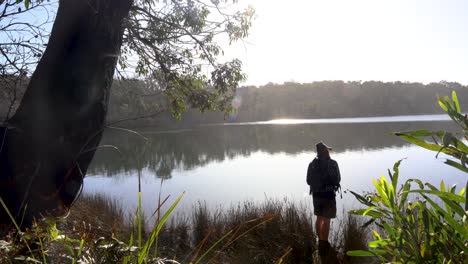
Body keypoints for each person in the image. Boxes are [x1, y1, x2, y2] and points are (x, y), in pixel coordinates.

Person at [306, 142, 341, 257]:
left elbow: (308, 181)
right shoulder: (333, 163)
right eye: (327, 150)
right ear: (325, 152)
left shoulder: (312, 164)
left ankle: (319, 240)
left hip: (316, 195)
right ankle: (324, 243)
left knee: (319, 218)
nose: (329, 152)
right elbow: (338, 179)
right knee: (326, 220)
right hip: (329, 195)